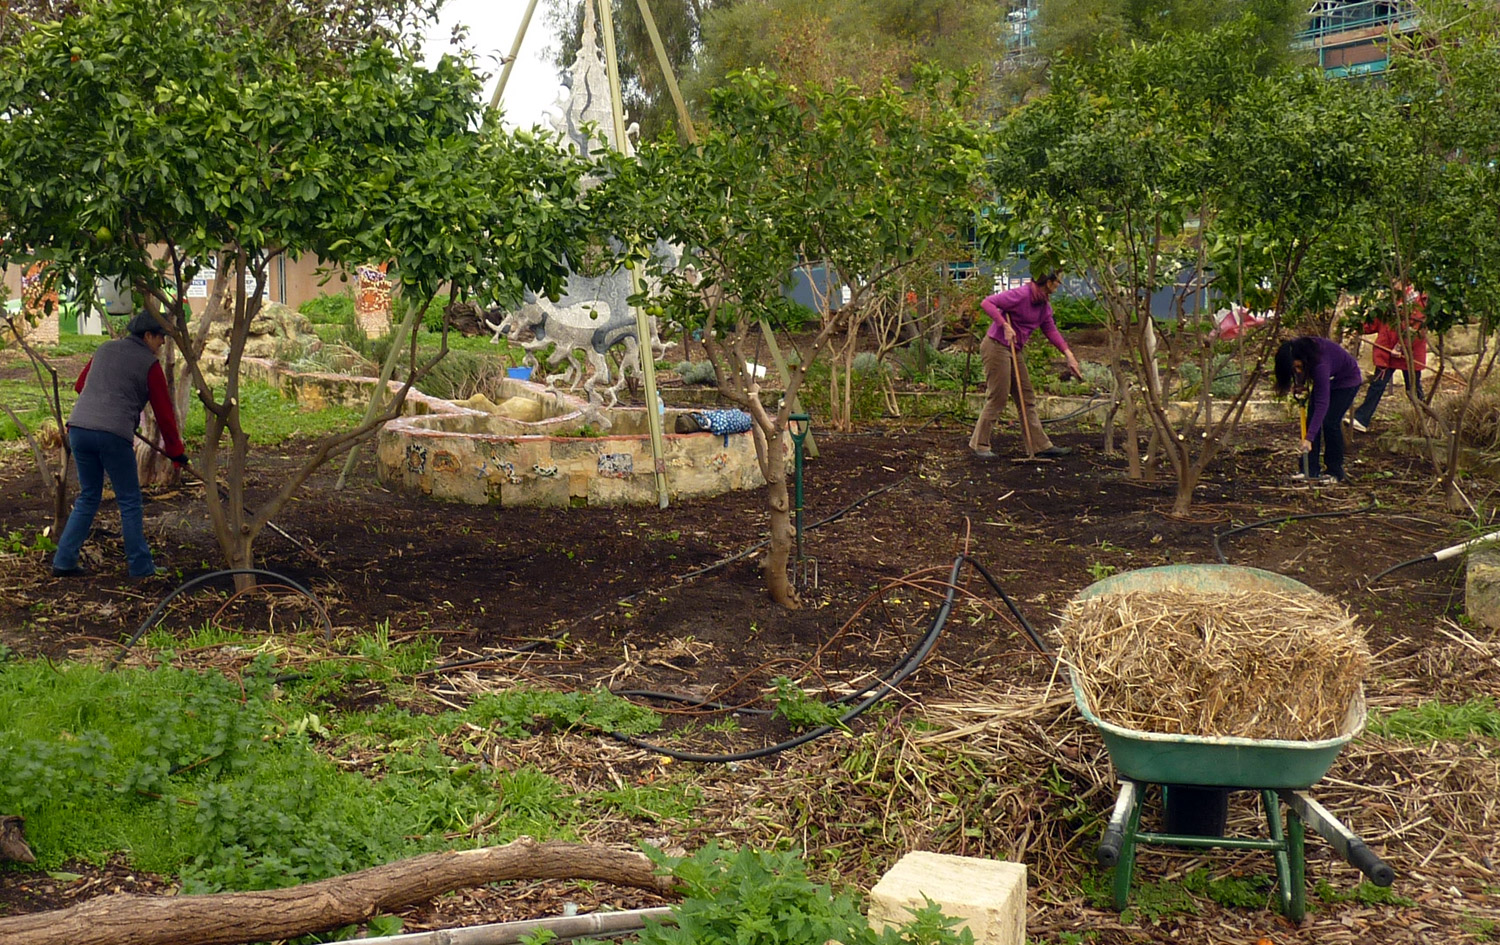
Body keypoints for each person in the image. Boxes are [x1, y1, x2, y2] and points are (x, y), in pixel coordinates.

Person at [50, 311, 187, 579]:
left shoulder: (104, 349)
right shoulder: (149, 364)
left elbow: (80, 386)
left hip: (78, 428)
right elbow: (164, 414)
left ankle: (64, 560)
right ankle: (140, 567)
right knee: (129, 500)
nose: (162, 344)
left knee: (89, 496)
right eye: (160, 338)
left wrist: (110, 402)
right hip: (112, 434)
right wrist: (176, 452)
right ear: (147, 335)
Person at [968, 271, 1082, 460]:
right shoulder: (1022, 294)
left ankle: (1040, 445)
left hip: (1014, 349)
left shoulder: (1043, 305)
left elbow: (1050, 330)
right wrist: (1004, 324)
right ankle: (980, 445)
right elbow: (987, 302)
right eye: (1058, 281)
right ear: (1049, 282)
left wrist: (1068, 354)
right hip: (996, 346)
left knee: (1026, 396)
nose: (1059, 285)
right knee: (999, 396)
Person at [1273, 336, 1363, 484]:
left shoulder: (1320, 365)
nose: (1297, 370)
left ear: (1303, 359)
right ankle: (1309, 469)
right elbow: (1300, 369)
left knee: (1330, 422)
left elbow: (1322, 403)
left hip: (1347, 381)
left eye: (1298, 367)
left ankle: (1335, 471)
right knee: (1311, 421)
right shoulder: (1297, 349)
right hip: (1329, 378)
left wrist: (1308, 439)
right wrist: (1300, 383)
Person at [1350, 285, 1427, 433]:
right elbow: (1378, 321)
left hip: (1408, 355)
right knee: (1377, 385)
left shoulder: (1420, 302)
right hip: (1386, 353)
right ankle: (1361, 419)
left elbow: (1416, 329)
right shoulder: (1392, 299)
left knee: (1413, 389)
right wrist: (1359, 327)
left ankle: (1424, 420)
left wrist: (1401, 347)